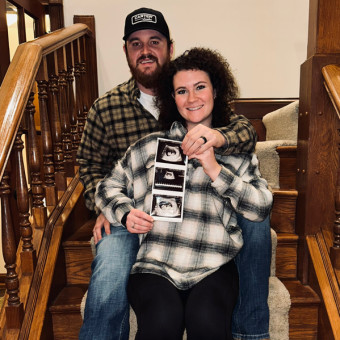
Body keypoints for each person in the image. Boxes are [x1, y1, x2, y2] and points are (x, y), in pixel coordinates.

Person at [77, 7, 271, 340]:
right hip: (145, 234)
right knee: (131, 291)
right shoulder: (119, 118)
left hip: (209, 254)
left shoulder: (227, 135)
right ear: (126, 51)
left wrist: (216, 156)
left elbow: (258, 197)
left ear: (169, 46)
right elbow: (96, 173)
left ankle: (252, 331)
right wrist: (111, 209)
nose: (145, 50)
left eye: (154, 41)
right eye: (136, 44)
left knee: (255, 225)